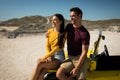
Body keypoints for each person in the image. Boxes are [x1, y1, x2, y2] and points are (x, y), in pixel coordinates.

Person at [56, 7, 90, 80]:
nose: (71, 18)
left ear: (80, 16)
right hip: (70, 57)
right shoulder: (69, 26)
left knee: (81, 78)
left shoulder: (85, 33)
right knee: (59, 74)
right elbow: (60, 33)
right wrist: (49, 32)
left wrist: (77, 68)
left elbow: (84, 52)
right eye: (70, 16)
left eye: (73, 16)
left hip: (80, 58)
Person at [29, 13, 67, 80]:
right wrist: (49, 55)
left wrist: (46, 56)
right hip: (50, 54)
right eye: (52, 20)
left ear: (60, 21)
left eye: (55, 20)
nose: (52, 21)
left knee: (40, 63)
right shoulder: (49, 31)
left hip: (59, 56)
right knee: (42, 71)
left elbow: (57, 48)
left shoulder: (64, 33)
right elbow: (47, 45)